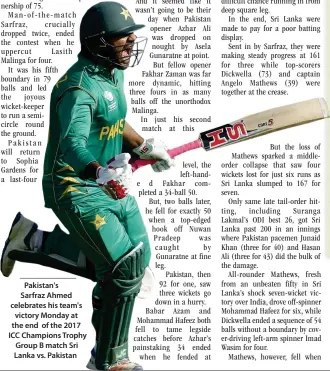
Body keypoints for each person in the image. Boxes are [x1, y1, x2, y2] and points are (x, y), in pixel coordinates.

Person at [1, 2, 174, 370]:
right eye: (120, 38)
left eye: (130, 36)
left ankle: (32, 239)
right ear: (98, 42)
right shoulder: (78, 88)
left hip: (112, 182)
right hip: (75, 186)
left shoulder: (113, 73)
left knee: (136, 262)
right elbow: (73, 146)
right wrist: (99, 173)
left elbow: (114, 119)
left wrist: (143, 146)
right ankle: (109, 360)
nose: (130, 42)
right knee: (124, 268)